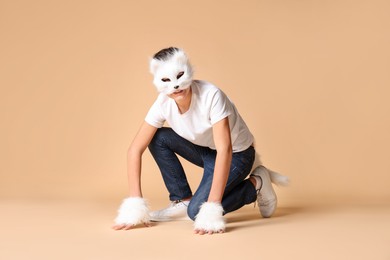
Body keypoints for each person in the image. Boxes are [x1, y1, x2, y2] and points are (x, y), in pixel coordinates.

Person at [112, 47, 288, 235]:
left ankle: (256, 183)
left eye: (180, 76)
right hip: (206, 151)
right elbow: (134, 150)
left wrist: (212, 206)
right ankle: (182, 199)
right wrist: (135, 208)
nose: (176, 86)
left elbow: (225, 149)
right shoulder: (163, 102)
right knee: (158, 137)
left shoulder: (211, 95)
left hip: (237, 155)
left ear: (188, 70)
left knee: (196, 212)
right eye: (166, 80)